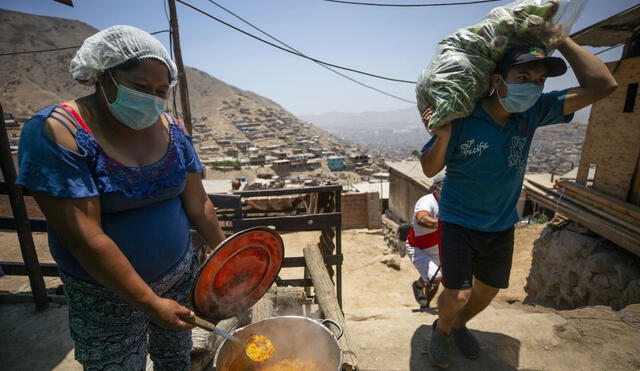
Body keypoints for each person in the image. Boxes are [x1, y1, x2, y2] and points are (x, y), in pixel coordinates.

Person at [16, 26, 226, 370]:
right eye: (140, 87)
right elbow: (84, 237)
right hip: (105, 295)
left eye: (161, 90)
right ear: (103, 76)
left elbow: (198, 204)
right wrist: (148, 301)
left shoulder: (171, 128)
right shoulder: (57, 132)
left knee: (175, 357)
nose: (152, 99)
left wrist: (226, 258)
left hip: (178, 275)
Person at [420, 38, 617, 368]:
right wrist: (442, 138)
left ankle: (460, 324)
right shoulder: (464, 116)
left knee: (488, 291)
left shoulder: (533, 112)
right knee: (457, 294)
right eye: (523, 78)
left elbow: (604, 85)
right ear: (497, 81)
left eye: (540, 80)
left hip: (500, 222)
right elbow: (429, 168)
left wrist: (562, 41)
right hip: (458, 220)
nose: (533, 87)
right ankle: (441, 329)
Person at [406, 175, 443, 309]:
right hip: (418, 247)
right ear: (438, 186)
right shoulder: (427, 201)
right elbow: (422, 218)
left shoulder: (450, 202)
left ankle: (426, 303)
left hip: (438, 249)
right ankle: (418, 286)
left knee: (437, 279)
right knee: (436, 276)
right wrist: (441, 224)